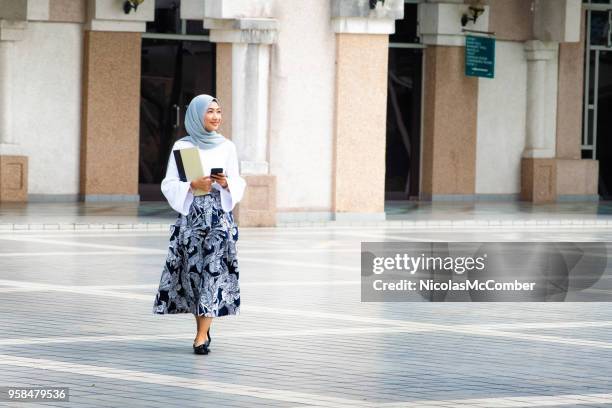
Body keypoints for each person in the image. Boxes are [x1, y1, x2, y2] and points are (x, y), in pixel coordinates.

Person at [152, 94, 246, 355]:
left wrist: (226, 184)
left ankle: (201, 335)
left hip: (218, 219)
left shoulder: (227, 146)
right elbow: (169, 184)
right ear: (196, 115)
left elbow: (238, 181)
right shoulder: (183, 147)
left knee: (212, 274)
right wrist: (192, 185)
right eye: (210, 112)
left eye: (218, 111)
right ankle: (202, 328)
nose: (216, 116)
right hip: (191, 219)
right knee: (194, 275)